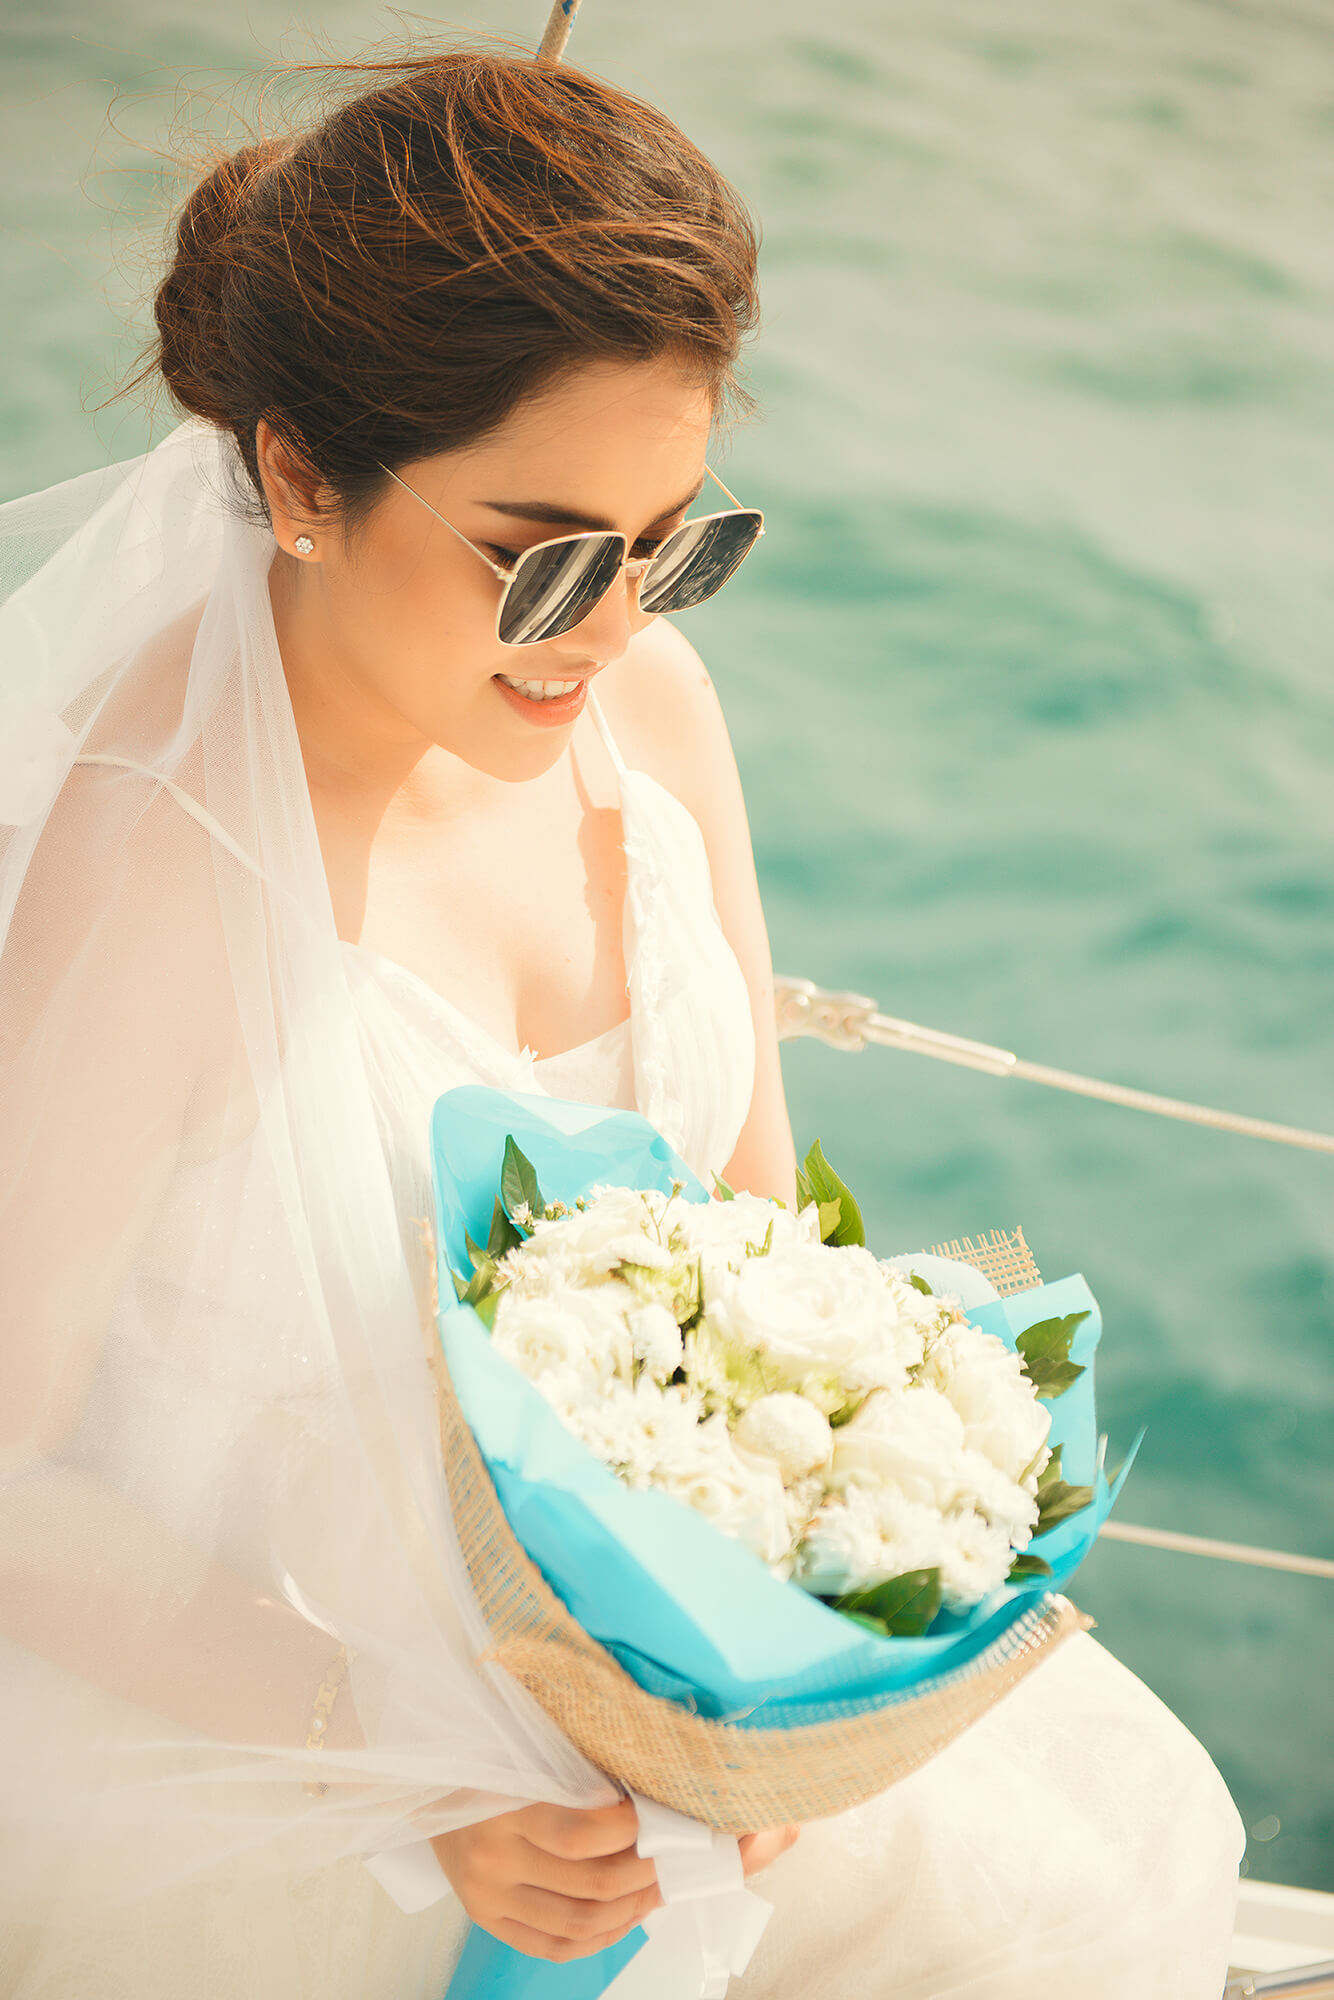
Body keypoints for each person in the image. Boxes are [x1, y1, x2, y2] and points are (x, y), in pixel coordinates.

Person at [0, 45, 1243, 1999]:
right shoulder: (165, 867)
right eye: (545, 550)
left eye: (671, 543)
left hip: (635, 1722)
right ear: (299, 477)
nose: (611, 624)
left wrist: (798, 1667)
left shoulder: (642, 719)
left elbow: (755, 1233)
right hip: (287, 1747)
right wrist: (410, 1764)